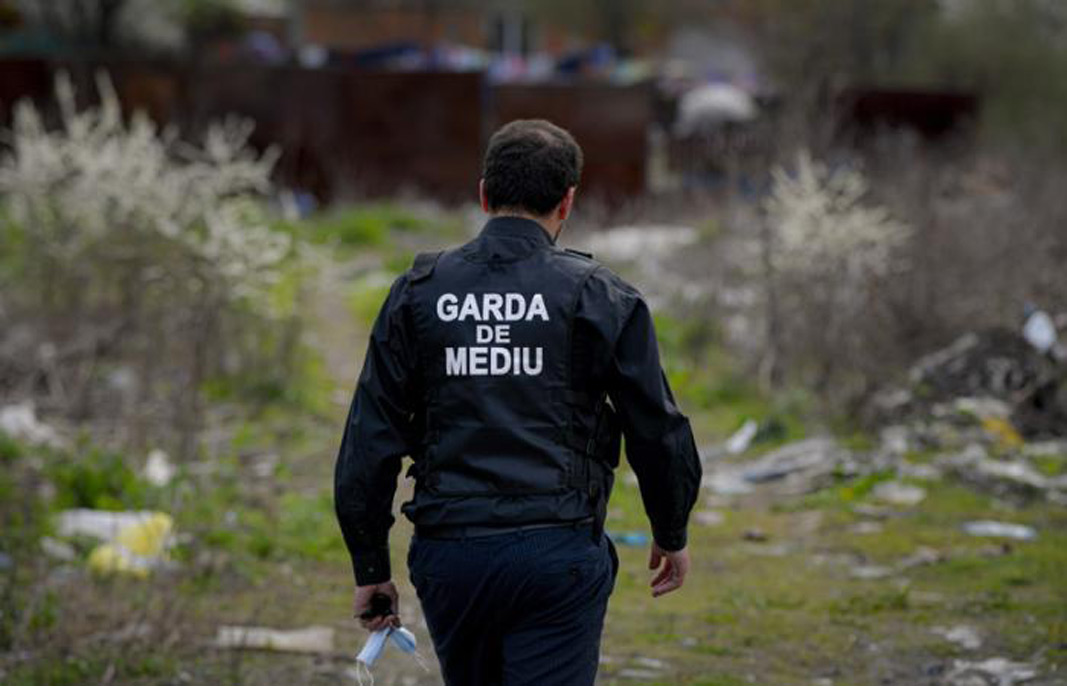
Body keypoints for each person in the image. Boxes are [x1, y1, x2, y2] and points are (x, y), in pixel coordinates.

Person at [334, 118, 702, 686]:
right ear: (567, 201)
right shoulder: (600, 295)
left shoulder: (417, 294)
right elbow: (657, 427)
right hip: (558, 556)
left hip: (452, 557)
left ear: (484, 194)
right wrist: (671, 529)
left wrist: (370, 567)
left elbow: (369, 437)